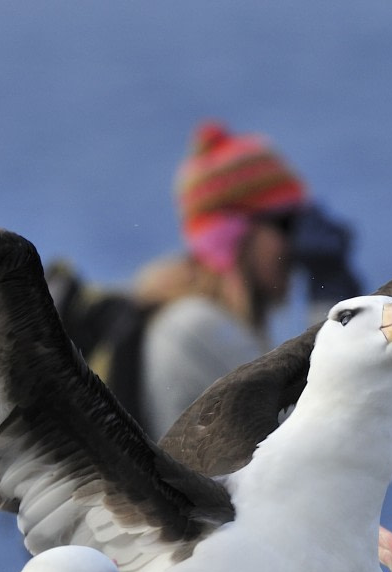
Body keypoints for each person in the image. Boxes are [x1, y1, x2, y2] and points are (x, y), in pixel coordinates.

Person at [51, 121, 362, 439]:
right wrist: (333, 294)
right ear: (235, 234)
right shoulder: (198, 328)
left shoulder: (171, 311)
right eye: (286, 224)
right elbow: (315, 438)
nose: (299, 245)